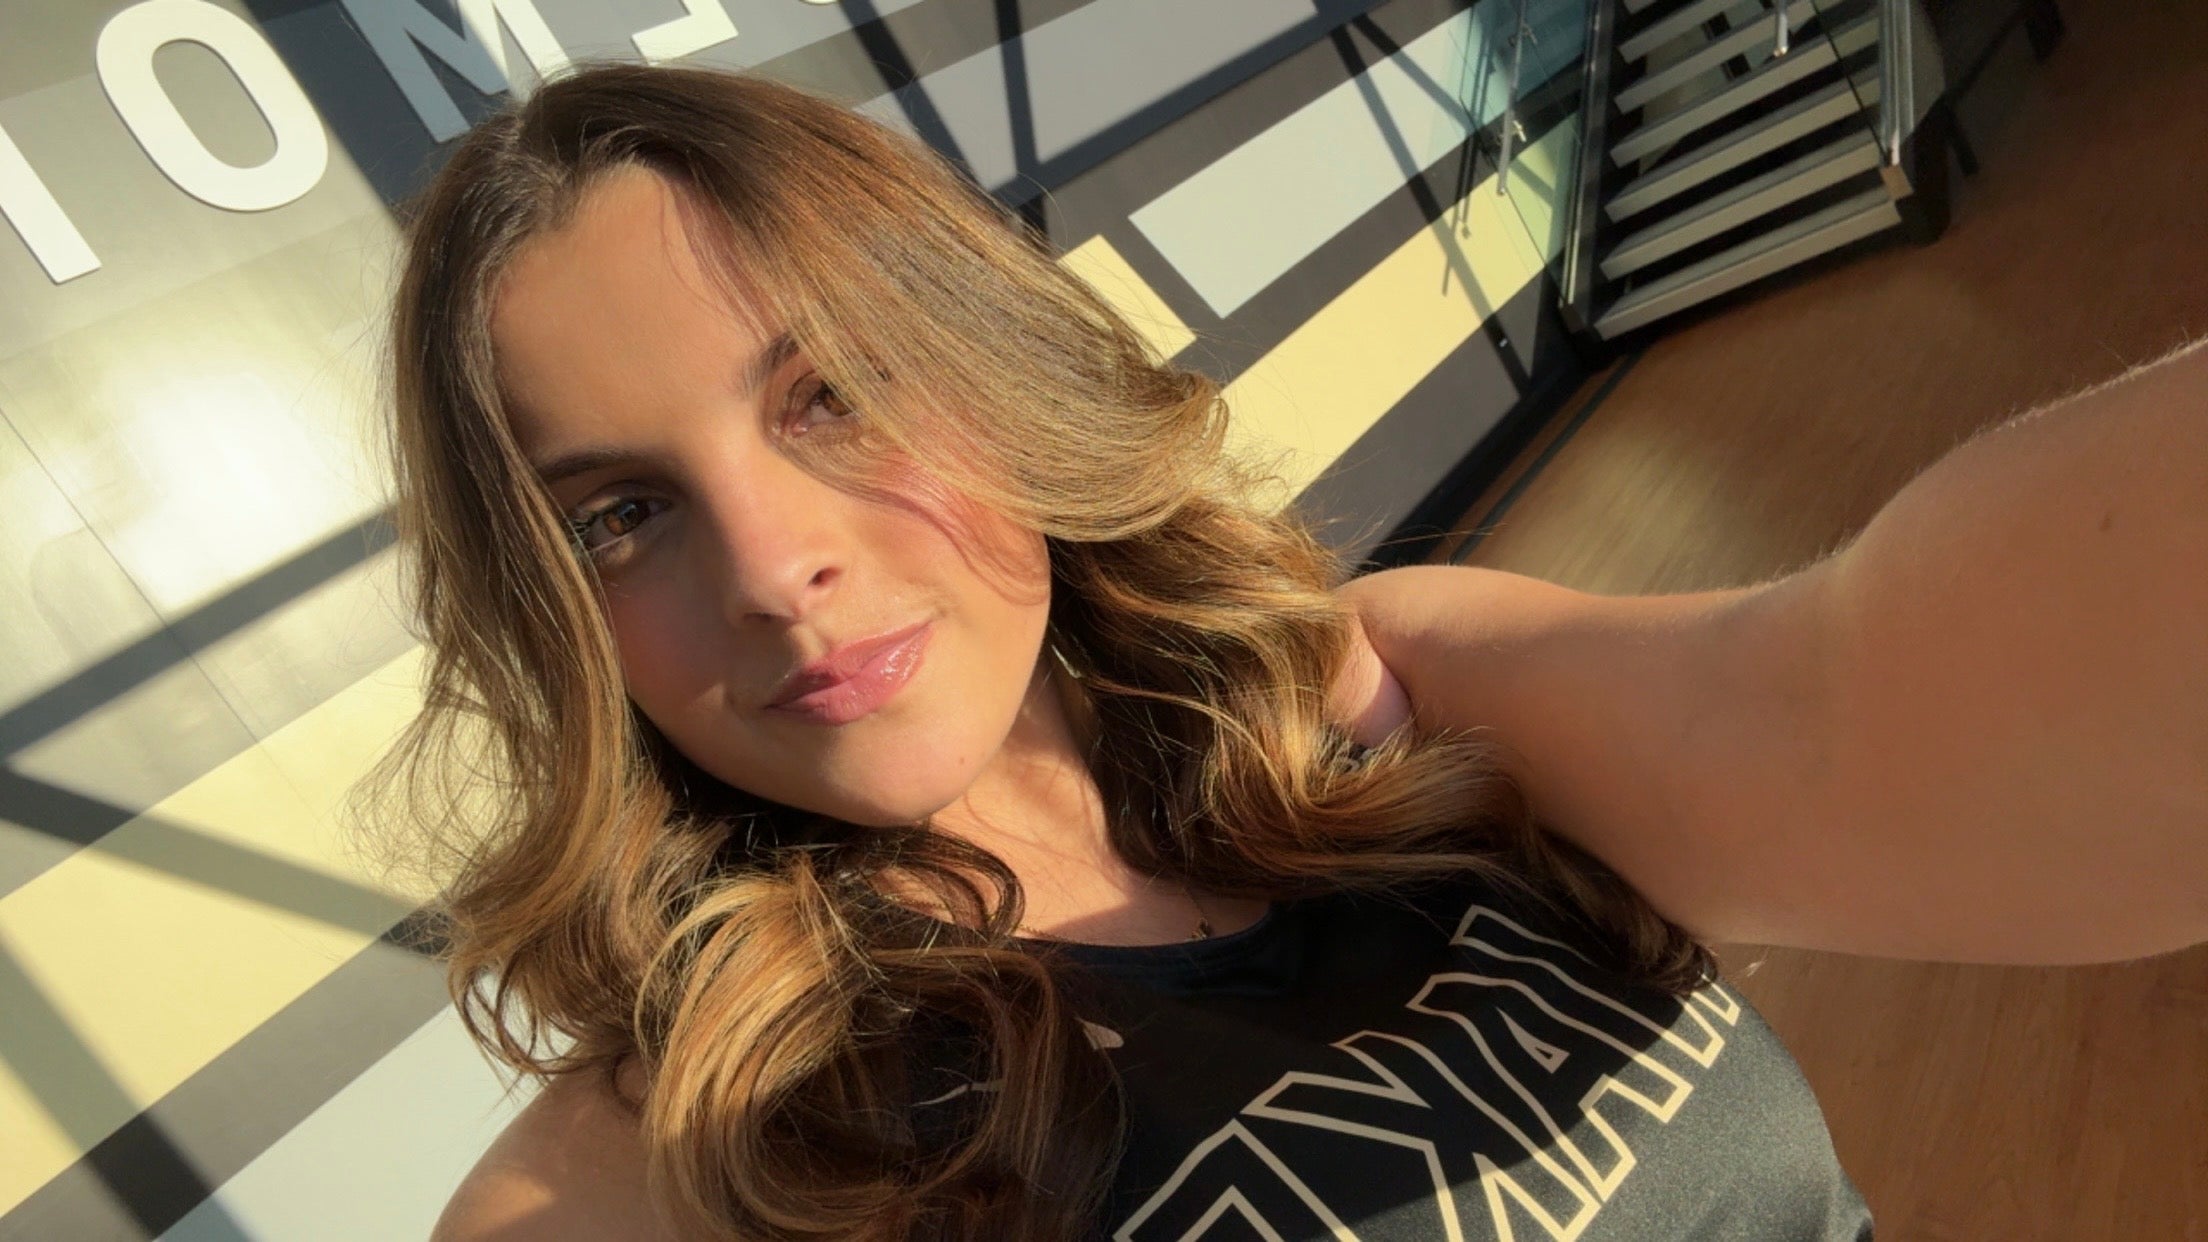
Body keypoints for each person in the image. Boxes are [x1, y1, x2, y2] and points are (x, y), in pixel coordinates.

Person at [374, 63, 2205, 1242]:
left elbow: (1865, 710)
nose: (777, 570)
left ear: (986, 365)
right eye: (620, 514)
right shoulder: (667, 1161)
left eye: (832, 395)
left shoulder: (1372, 703)